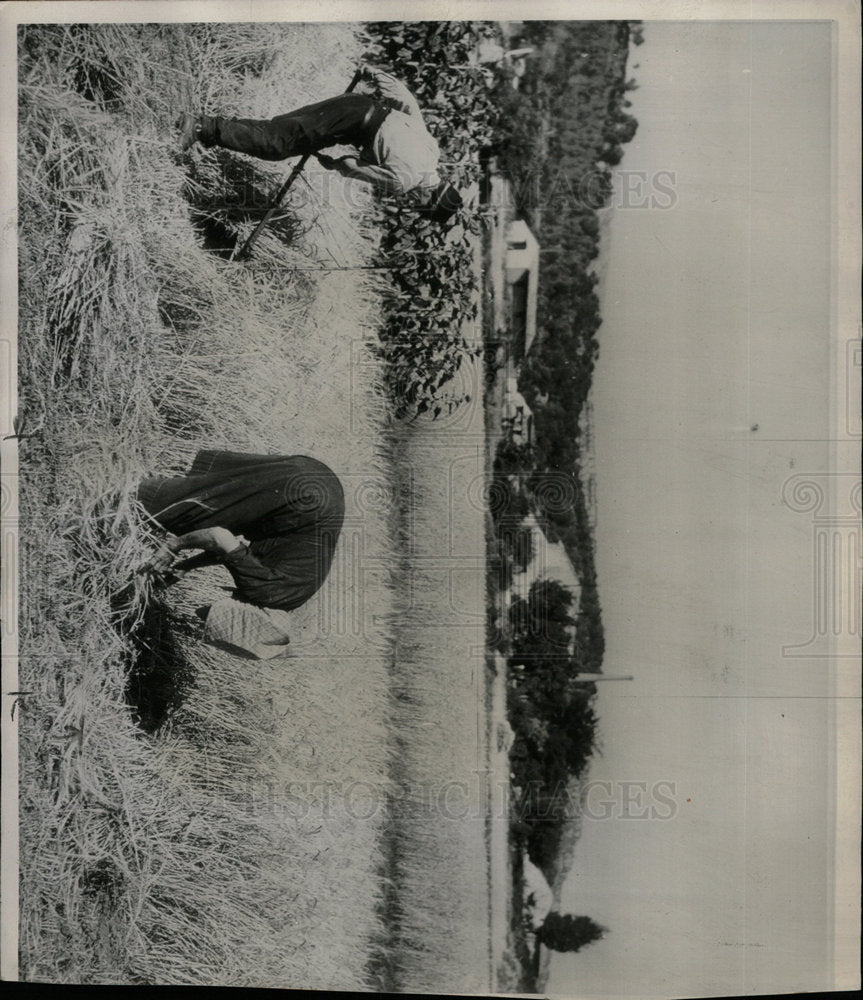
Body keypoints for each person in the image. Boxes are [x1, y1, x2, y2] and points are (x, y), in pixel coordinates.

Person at [176, 63, 463, 224]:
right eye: (420, 206)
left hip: (356, 102)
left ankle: (211, 127)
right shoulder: (404, 182)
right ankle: (201, 127)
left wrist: (374, 73)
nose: (412, 204)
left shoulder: (431, 149)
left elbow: (406, 100)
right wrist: (334, 164)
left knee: (279, 128)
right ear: (429, 199)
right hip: (347, 124)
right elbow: (352, 166)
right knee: (275, 146)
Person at [137, 450, 345, 658]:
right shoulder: (262, 592)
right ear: (246, 611)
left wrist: (186, 566)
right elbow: (218, 536)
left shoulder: (288, 597)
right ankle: (135, 491)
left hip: (319, 480)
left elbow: (235, 551)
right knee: (170, 513)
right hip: (304, 497)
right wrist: (172, 546)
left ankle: (174, 474)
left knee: (224, 494)